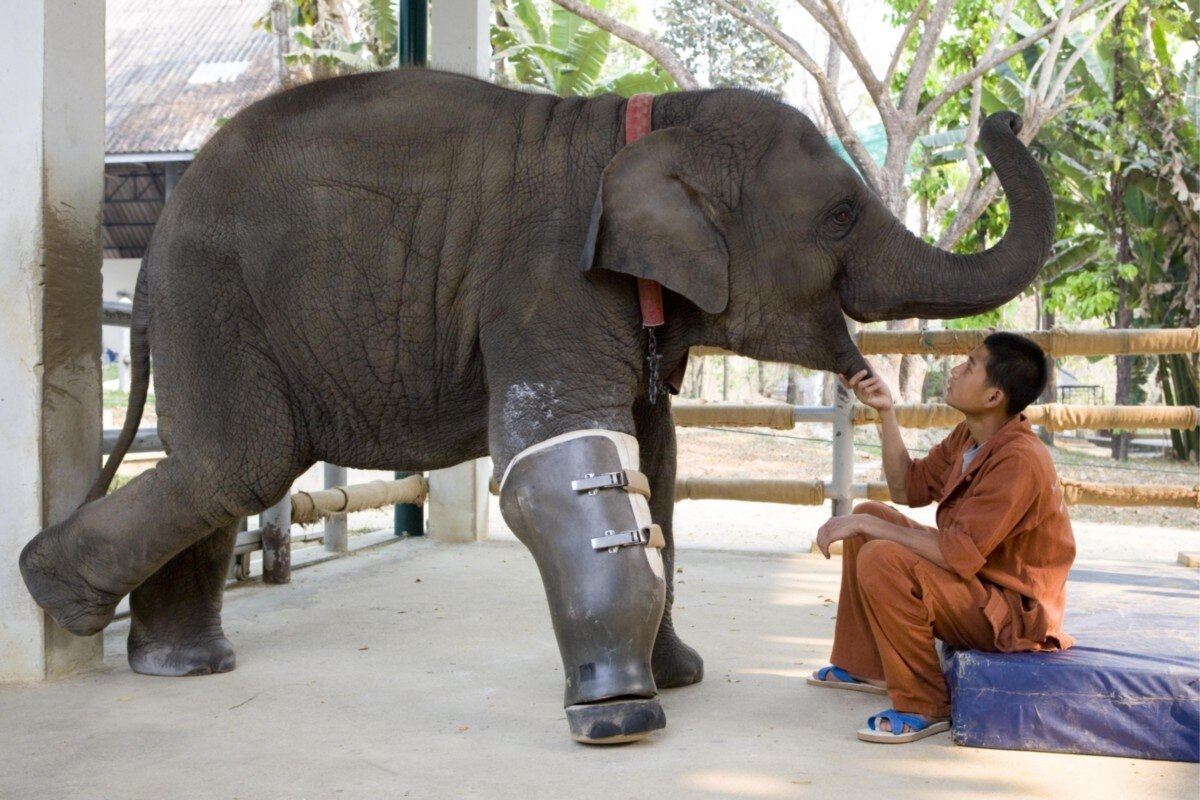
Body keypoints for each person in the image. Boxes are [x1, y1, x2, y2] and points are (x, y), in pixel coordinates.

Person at [807, 332, 1076, 744]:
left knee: (881, 553)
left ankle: (924, 704)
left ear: (993, 397)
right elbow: (907, 489)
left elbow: (956, 555)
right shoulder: (971, 436)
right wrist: (885, 412)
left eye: (969, 365)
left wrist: (872, 530)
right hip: (978, 585)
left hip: (1012, 614)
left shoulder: (1019, 459)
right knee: (870, 514)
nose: (954, 371)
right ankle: (865, 665)